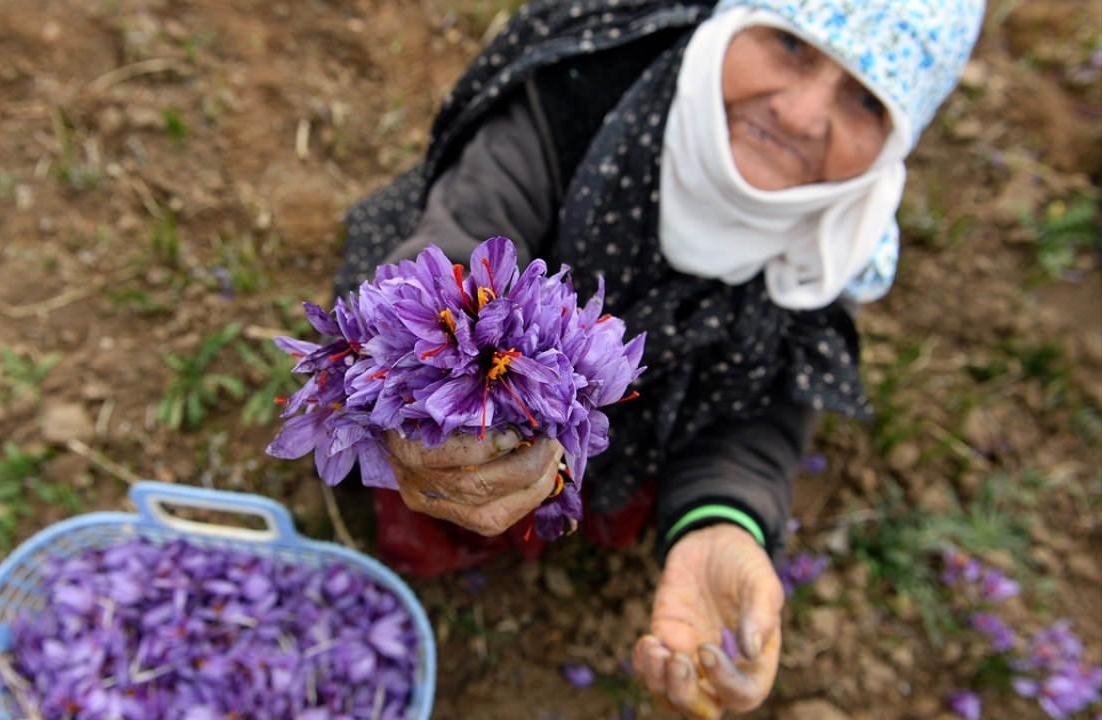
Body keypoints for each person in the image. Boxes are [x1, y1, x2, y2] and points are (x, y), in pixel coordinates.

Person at [334, 0, 984, 716]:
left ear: (900, 136)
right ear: (733, 20)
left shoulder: (834, 237)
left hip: (634, 406)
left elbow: (759, 415)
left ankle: (585, 496)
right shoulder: (581, 90)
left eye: (866, 98)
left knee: (604, 486)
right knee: (451, 468)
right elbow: (463, 246)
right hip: (479, 382)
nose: (801, 114)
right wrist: (425, 387)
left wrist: (724, 522)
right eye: (791, 47)